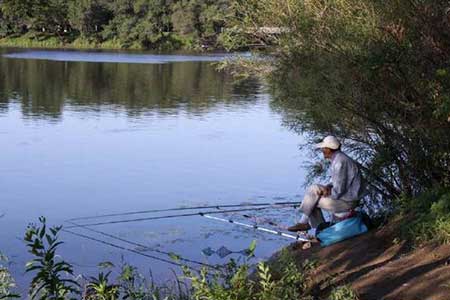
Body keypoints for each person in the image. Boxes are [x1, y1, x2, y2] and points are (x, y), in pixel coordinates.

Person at [288, 135, 365, 232]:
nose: (322, 150)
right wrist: (328, 187)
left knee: (312, 202)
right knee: (313, 188)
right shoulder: (338, 158)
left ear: (329, 149)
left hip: (348, 201)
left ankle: (320, 229)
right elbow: (339, 182)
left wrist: (328, 192)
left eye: (323, 148)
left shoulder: (340, 162)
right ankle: (304, 222)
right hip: (344, 196)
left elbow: (339, 190)